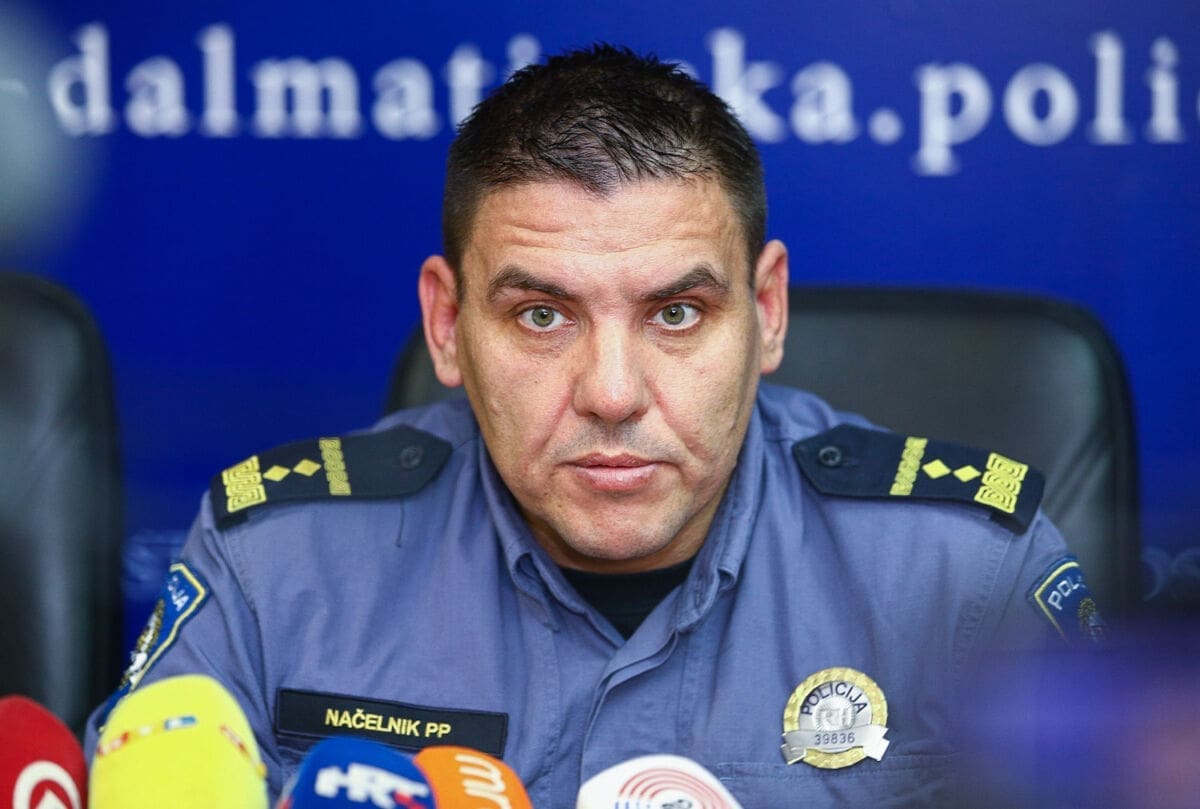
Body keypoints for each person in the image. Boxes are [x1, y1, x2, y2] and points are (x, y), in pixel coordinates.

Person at [87, 45, 1100, 806]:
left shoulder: (969, 574)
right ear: (447, 325)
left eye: (676, 312)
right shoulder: (277, 565)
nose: (612, 392)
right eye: (542, 315)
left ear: (767, 311)